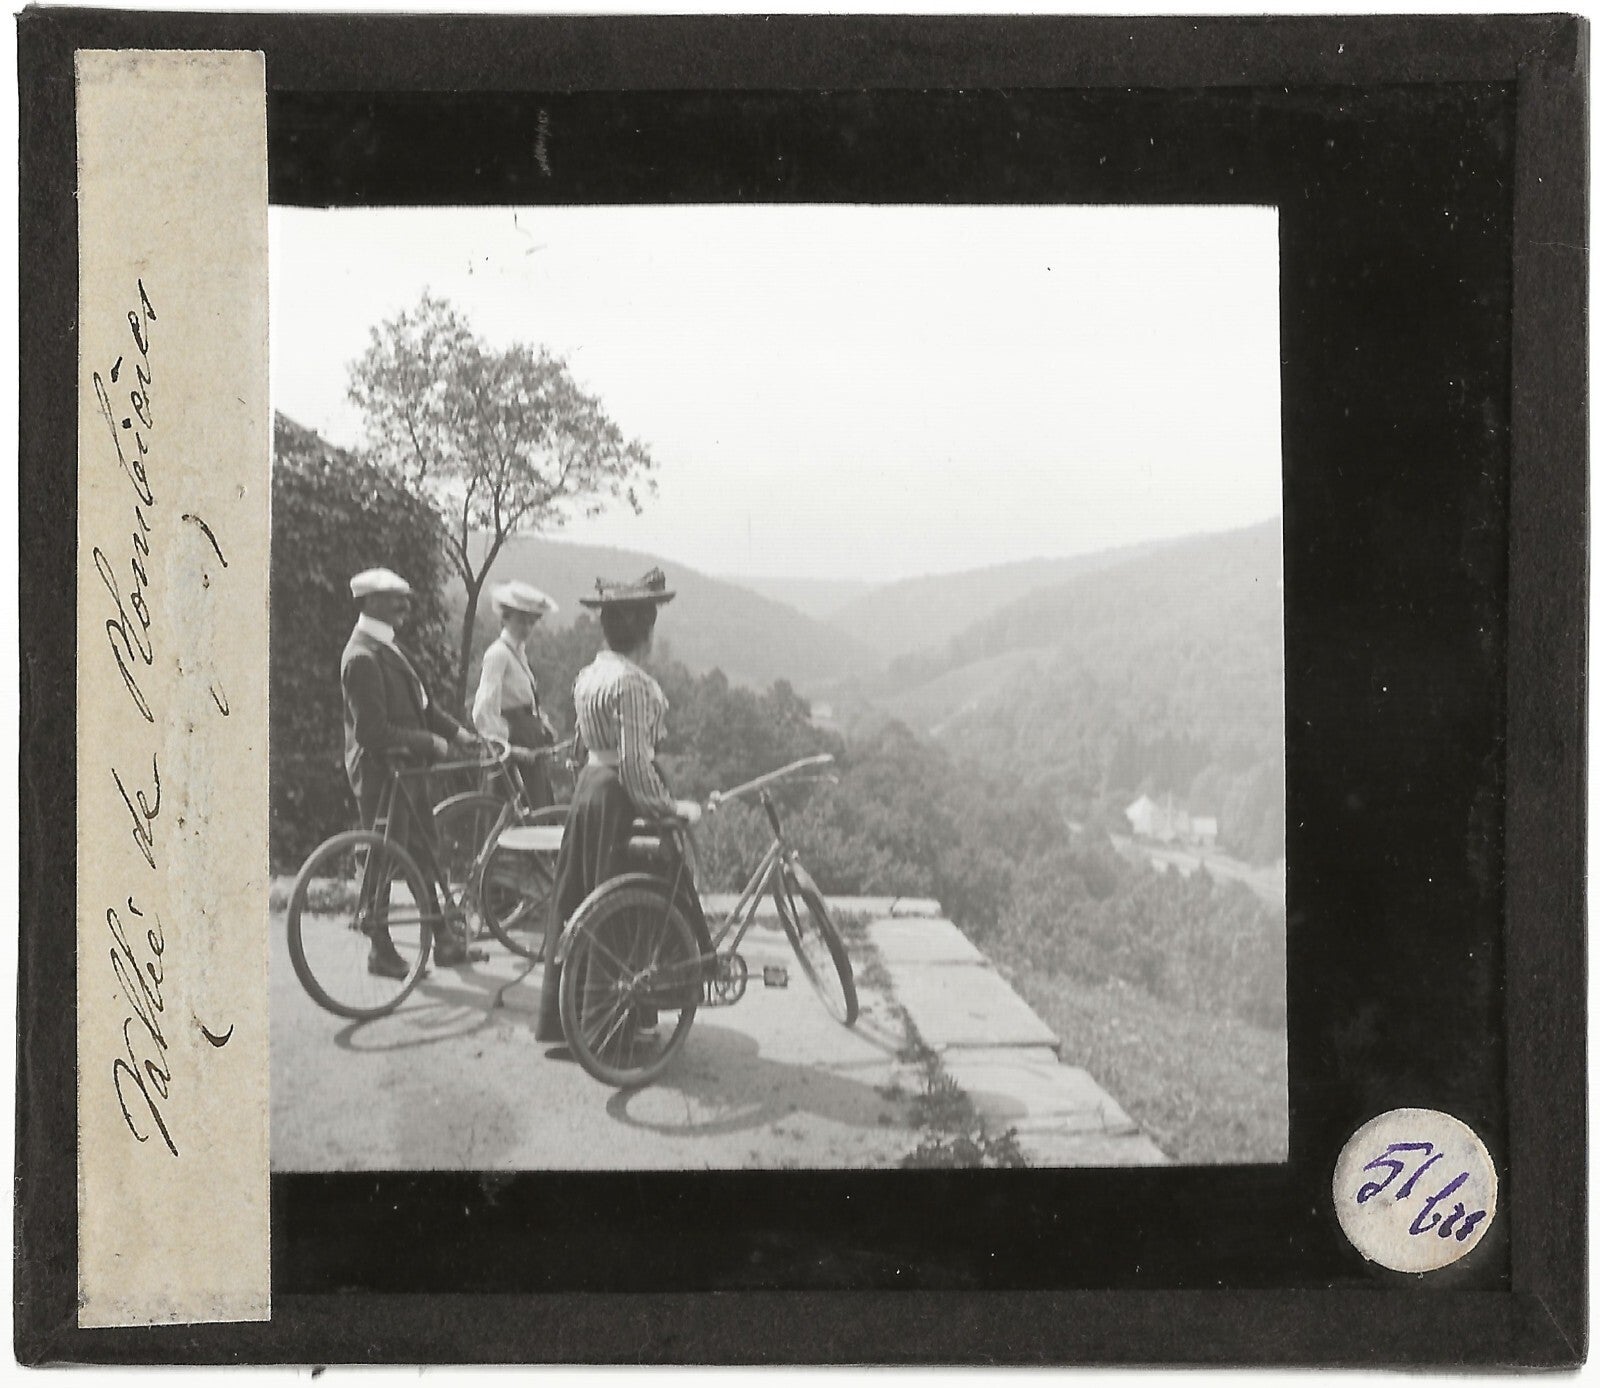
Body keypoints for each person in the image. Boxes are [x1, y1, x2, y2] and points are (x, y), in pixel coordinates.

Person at [534, 567, 711, 1042]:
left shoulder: (590, 676)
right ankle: (609, 1026)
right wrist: (667, 809)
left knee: (580, 900)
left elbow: (581, 746)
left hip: (590, 792)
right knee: (627, 908)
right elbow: (635, 763)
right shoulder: (631, 683)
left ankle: (571, 1019)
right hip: (618, 798)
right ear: (643, 631)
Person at [341, 567, 482, 976]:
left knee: (422, 854)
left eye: (403, 597)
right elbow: (371, 732)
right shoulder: (362, 657)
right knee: (385, 860)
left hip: (408, 772)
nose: (403, 605)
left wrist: (458, 735)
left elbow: (422, 708)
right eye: (392, 598)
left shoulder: (389, 647)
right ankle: (380, 950)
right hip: (382, 776)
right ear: (369, 603)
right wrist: (429, 743)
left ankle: (444, 942)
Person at [472, 580, 561, 809]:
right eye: (521, 620)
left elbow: (525, 700)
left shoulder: (518, 653)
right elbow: (483, 710)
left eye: (532, 621)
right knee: (515, 814)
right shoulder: (498, 654)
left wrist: (542, 724)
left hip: (530, 744)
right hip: (515, 749)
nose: (527, 627)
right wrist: (508, 748)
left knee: (539, 810)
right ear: (505, 618)